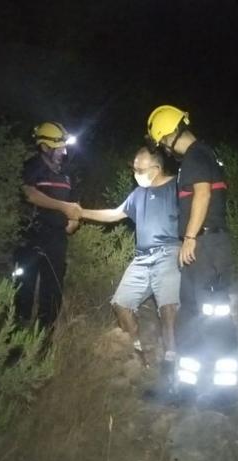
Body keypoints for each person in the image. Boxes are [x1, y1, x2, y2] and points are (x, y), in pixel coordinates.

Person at [79, 147, 181, 378]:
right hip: (142, 257)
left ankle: (171, 361)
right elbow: (115, 214)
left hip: (168, 251)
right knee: (120, 304)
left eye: (140, 169)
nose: (135, 173)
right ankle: (137, 354)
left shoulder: (176, 187)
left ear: (156, 168)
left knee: (167, 308)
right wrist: (81, 212)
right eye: (133, 169)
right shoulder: (138, 194)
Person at [146, 105, 232, 344]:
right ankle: (195, 374)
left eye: (162, 142)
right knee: (198, 311)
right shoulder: (204, 154)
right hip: (210, 245)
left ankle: (214, 373)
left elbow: (202, 194)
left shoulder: (196, 155)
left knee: (209, 313)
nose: (164, 148)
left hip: (205, 245)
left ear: (169, 135)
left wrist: (191, 237)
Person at [14, 121, 82, 329]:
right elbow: (29, 193)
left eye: (65, 146)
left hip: (56, 239)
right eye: (60, 147)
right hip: (30, 236)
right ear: (44, 147)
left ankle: (45, 335)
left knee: (53, 288)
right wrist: (63, 207)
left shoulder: (66, 172)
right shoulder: (32, 166)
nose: (64, 151)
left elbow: (75, 202)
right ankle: (18, 329)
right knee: (23, 285)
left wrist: (73, 219)